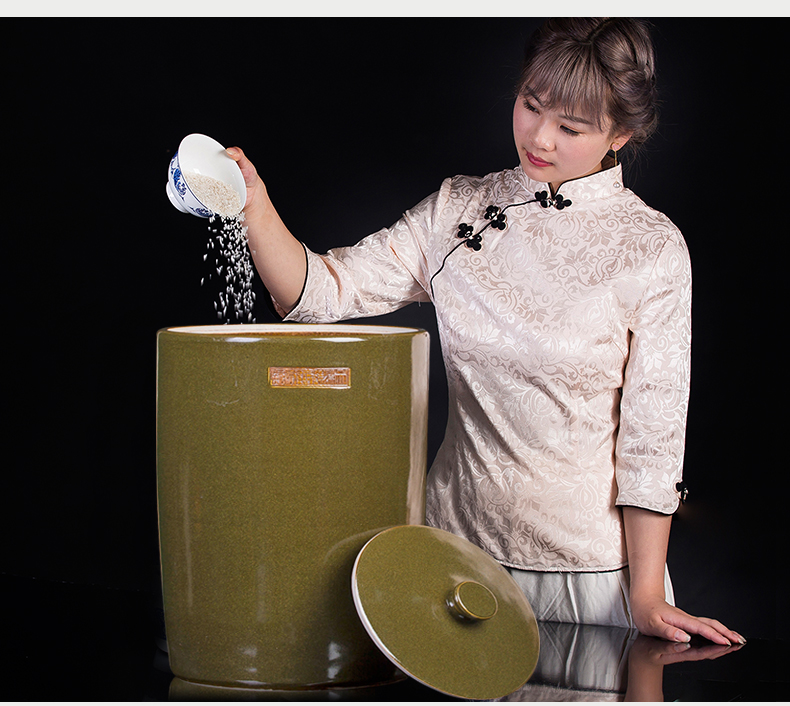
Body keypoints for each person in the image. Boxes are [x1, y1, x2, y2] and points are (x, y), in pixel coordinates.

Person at [226, 18, 744, 647]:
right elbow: (319, 292)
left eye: (571, 128)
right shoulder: (459, 211)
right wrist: (251, 202)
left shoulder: (652, 248)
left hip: (595, 578)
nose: (540, 138)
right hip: (453, 558)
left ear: (623, 134)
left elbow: (651, 439)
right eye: (531, 104)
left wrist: (643, 591)